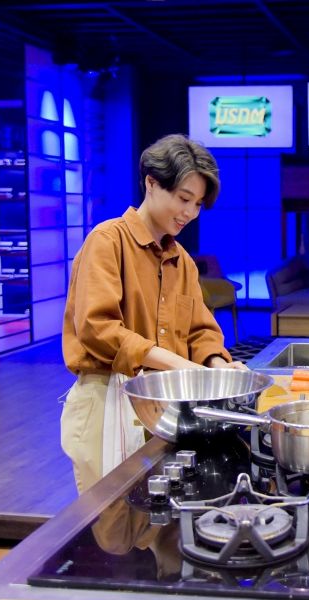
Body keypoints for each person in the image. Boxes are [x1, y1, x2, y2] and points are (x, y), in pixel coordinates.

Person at [61, 134, 246, 493]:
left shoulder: (183, 262)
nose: (190, 213)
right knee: (111, 522)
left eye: (198, 204)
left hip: (165, 406)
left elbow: (201, 331)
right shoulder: (107, 241)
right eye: (183, 198)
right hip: (107, 400)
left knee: (160, 515)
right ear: (151, 183)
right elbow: (97, 328)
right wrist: (179, 366)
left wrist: (217, 366)